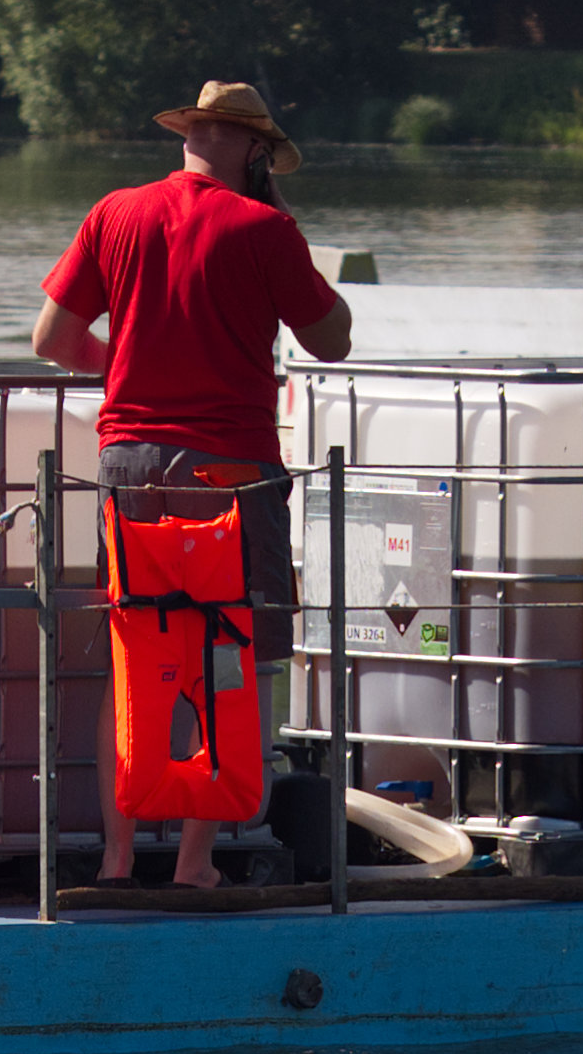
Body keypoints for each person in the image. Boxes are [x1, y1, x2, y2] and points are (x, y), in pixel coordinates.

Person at [29, 77, 355, 886]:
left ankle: (113, 858)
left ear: (187, 136)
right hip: (230, 473)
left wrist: (133, 367)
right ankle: (194, 864)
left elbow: (53, 339)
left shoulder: (115, 213)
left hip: (128, 462)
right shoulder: (264, 228)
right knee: (223, 658)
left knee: (135, 661)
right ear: (252, 151)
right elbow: (334, 341)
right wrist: (280, 214)